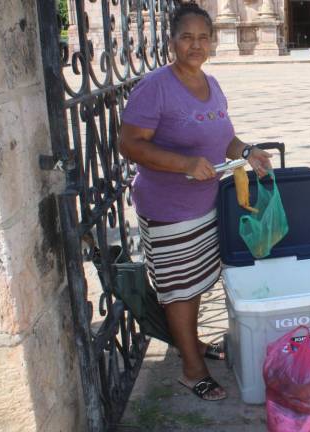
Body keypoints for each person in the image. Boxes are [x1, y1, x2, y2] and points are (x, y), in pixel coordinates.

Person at [118, 2, 272, 402]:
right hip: (168, 209)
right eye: (186, 37)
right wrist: (183, 163)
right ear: (172, 41)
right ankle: (191, 369)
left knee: (197, 281)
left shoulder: (212, 84)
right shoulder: (156, 86)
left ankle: (194, 345)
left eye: (203, 37)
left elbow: (227, 140)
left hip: (207, 205)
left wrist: (249, 151)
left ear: (212, 41)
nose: (195, 44)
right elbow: (129, 143)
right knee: (178, 289)